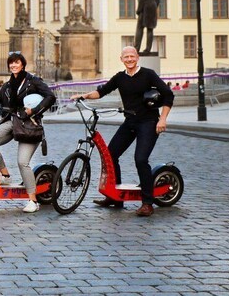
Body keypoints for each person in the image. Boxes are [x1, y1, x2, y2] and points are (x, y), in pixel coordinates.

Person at [70, 46, 174, 217]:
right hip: (130, 121)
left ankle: (147, 203)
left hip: (148, 122)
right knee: (110, 155)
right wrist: (83, 96)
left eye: (132, 56)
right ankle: (115, 197)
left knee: (140, 159)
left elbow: (168, 95)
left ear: (137, 57)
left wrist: (162, 119)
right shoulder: (120, 77)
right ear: (122, 59)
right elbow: (102, 91)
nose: (129, 59)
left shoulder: (148, 74)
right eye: (126, 57)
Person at [0, 52, 56, 213]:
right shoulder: (7, 86)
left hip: (29, 125)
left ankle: (33, 201)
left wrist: (34, 111)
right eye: (11, 63)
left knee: (23, 162)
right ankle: (6, 175)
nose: (13, 65)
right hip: (12, 122)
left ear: (23, 64)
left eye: (16, 63)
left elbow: (50, 97)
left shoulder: (33, 81)